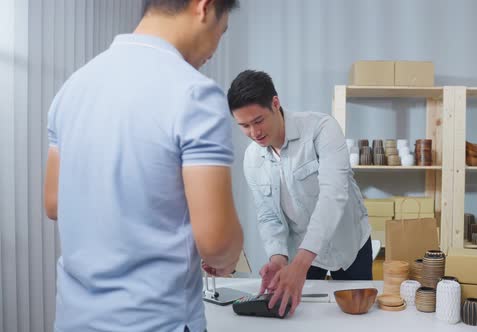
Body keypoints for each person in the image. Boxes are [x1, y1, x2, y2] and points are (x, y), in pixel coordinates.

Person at [43, 1, 243, 331]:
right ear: (203, 7)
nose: (213, 50)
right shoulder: (194, 93)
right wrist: (228, 257)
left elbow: (53, 203)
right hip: (156, 321)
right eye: (220, 33)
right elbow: (217, 242)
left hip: (75, 320)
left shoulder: (73, 87)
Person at [227, 70, 372, 317]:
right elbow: (268, 216)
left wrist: (300, 265)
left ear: (275, 103)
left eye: (258, 121)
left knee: (356, 318)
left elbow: (333, 197)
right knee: (297, 317)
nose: (254, 133)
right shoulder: (252, 158)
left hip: (348, 245)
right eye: (244, 125)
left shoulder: (321, 129)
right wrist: (278, 258)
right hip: (301, 250)